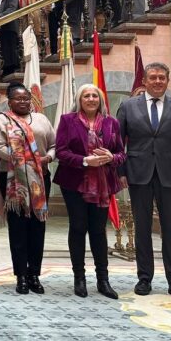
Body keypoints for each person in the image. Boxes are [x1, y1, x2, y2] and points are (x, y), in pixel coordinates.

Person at [117, 62, 171, 302]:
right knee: (142, 230)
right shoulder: (128, 107)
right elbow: (117, 144)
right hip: (138, 176)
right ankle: (145, 278)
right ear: (144, 80)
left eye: (162, 77)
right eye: (153, 77)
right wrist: (120, 172)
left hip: (170, 178)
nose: (158, 81)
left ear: (168, 80)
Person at [55, 84, 126, 299]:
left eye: (95, 95)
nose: (91, 99)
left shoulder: (112, 123)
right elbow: (61, 152)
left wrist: (110, 158)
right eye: (87, 96)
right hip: (74, 183)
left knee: (98, 230)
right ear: (80, 99)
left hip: (103, 184)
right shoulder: (68, 120)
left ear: (101, 100)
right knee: (78, 227)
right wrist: (86, 161)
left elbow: (121, 153)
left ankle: (103, 280)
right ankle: (79, 278)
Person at [0, 83, 55, 295]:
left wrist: (48, 158)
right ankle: (21, 276)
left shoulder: (41, 119)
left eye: (26, 98)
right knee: (18, 228)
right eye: (18, 99)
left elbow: (55, 145)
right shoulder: (2, 120)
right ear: (9, 101)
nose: (23, 102)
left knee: (38, 227)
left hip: (40, 178)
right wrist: (23, 161)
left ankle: (34, 274)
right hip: (12, 179)